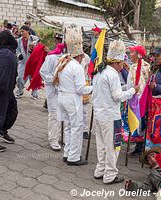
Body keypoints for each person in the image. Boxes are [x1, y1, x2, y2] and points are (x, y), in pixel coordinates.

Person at [93, 40, 139, 184]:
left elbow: (112, 91)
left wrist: (125, 88)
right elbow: (117, 96)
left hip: (99, 115)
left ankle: (100, 170)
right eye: (121, 64)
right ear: (116, 62)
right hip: (111, 117)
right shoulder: (112, 75)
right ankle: (110, 175)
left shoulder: (100, 72)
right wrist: (132, 90)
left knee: (101, 145)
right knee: (113, 146)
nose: (122, 67)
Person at [53, 27, 92, 166]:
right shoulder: (77, 67)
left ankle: (67, 153)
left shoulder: (63, 61)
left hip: (62, 97)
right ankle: (74, 157)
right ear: (80, 55)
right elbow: (81, 89)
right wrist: (93, 88)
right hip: (72, 99)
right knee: (76, 128)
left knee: (68, 127)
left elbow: (55, 80)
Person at [124, 45, 151, 157]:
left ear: (138, 55)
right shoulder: (139, 66)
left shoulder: (138, 68)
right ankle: (139, 145)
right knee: (139, 123)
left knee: (139, 123)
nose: (130, 54)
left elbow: (137, 85)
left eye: (132, 52)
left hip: (138, 99)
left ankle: (139, 147)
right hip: (136, 98)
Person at [40, 40, 65, 151]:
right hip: (53, 91)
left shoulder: (70, 59)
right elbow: (43, 72)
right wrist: (54, 80)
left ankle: (59, 136)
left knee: (63, 115)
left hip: (64, 92)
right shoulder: (52, 57)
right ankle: (53, 139)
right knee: (54, 115)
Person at [16, 25, 39, 98]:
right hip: (23, 62)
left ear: (27, 31)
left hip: (33, 63)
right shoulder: (19, 40)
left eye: (23, 31)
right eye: (21, 31)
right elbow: (17, 49)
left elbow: (39, 45)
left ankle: (34, 93)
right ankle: (20, 91)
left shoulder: (33, 39)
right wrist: (19, 54)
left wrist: (34, 49)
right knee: (20, 77)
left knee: (33, 78)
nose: (21, 33)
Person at [81, 52, 91, 139]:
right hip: (73, 86)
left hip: (84, 82)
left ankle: (84, 129)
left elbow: (89, 64)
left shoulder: (85, 56)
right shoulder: (69, 56)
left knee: (84, 110)